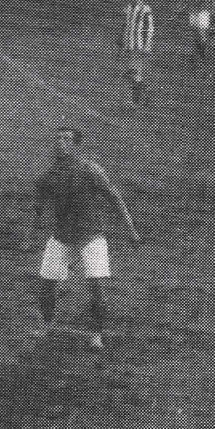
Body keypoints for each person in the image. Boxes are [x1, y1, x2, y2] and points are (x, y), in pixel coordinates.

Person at [32, 127, 141, 350]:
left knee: (96, 287)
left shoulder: (91, 170)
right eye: (58, 139)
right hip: (62, 236)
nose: (61, 143)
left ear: (76, 145)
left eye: (66, 139)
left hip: (90, 236)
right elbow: (38, 206)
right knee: (45, 286)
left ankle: (96, 333)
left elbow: (114, 198)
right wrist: (30, 234)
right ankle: (47, 325)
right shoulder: (50, 175)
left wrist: (131, 230)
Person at [118, 0, 155, 107]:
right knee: (134, 74)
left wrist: (147, 46)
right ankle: (145, 94)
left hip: (139, 46)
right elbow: (124, 25)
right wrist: (121, 43)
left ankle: (135, 101)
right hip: (129, 44)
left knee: (132, 73)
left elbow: (149, 29)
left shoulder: (145, 9)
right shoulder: (128, 8)